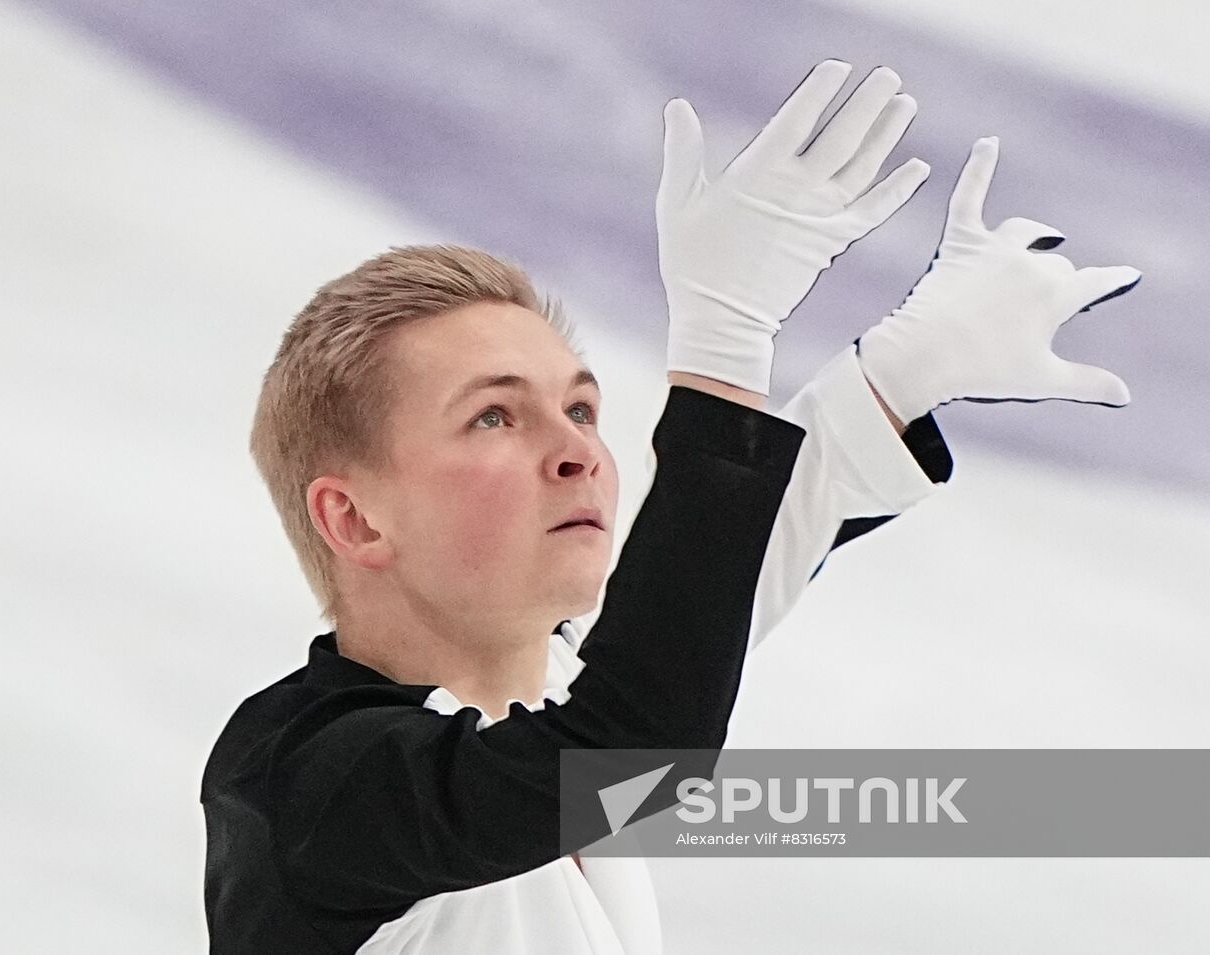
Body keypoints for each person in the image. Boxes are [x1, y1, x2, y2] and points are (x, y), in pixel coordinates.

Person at [201, 60, 1141, 954]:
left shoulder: (536, 702)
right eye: (494, 416)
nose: (576, 452)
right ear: (356, 519)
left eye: (579, 408)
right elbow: (634, 740)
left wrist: (898, 374)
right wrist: (724, 339)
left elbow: (710, 594)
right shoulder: (312, 781)